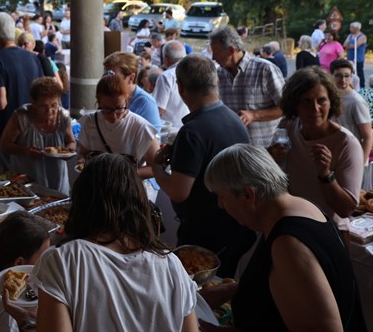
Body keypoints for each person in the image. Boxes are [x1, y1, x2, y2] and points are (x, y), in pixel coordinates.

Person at [201, 144, 365, 332]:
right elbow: (287, 283)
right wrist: (233, 289)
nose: (221, 205)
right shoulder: (299, 207)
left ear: (248, 195)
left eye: (222, 197)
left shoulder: (288, 244)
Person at [30, 153, 198, 332]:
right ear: (140, 201)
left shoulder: (61, 261)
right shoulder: (172, 265)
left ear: (80, 200)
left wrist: (26, 323)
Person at [151, 55, 254, 278]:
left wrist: (157, 168)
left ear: (180, 88)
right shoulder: (234, 119)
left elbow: (179, 192)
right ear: (214, 83)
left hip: (205, 233)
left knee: (196, 294)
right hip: (235, 226)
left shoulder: (193, 131)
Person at [272, 66, 363, 231]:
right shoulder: (288, 127)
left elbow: (346, 209)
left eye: (321, 100)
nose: (315, 109)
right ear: (295, 105)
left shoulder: (346, 144)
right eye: (306, 101)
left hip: (329, 232)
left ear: (331, 102)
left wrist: (326, 175)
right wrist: (270, 157)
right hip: (293, 224)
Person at [0, 13, 45, 168]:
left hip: (6, 132)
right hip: (30, 129)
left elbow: (0, 102)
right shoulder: (32, 57)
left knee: (4, 183)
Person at [209, 26, 285, 146]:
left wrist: (254, 115)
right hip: (233, 150)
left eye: (216, 53)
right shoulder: (219, 74)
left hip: (265, 151)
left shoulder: (265, 69)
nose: (213, 58)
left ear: (231, 50)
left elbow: (286, 108)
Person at [0, 77, 76, 194]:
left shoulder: (64, 117)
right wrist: (26, 151)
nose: (50, 110)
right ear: (33, 103)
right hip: (28, 177)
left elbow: (71, 141)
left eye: (54, 105)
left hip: (56, 177)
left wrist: (69, 150)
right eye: (44, 106)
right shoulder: (22, 117)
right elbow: (4, 145)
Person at [77, 74, 159, 179]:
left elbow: (156, 168)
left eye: (119, 108)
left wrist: (122, 174)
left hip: (127, 190)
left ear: (127, 100)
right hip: (95, 188)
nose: (113, 116)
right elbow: (84, 154)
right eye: (106, 109)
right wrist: (82, 161)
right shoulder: (90, 122)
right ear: (98, 102)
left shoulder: (139, 126)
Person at [0, 212, 51, 332]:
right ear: (20, 264)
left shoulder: (10, 288)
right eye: (43, 258)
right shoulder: (8, 316)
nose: (47, 263)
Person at [102, 51, 163, 131]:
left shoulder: (145, 102)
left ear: (131, 78)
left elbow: (152, 140)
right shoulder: (111, 98)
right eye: (106, 74)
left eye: (113, 76)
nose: (107, 80)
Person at [330, 59, 373, 167]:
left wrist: (360, 164)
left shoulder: (356, 101)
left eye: (347, 76)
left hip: (350, 157)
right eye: (338, 76)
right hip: (332, 154)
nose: (343, 80)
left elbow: (368, 136)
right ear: (331, 76)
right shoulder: (330, 96)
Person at [152, 41, 190, 128]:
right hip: (188, 127)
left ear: (165, 58)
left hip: (169, 131)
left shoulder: (166, 76)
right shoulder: (193, 72)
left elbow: (158, 110)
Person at [343, 22, 367, 88]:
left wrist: (349, 46)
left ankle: (362, 87)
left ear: (356, 28)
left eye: (351, 27)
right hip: (350, 57)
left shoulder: (362, 36)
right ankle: (351, 85)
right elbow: (344, 45)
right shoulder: (350, 35)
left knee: (359, 72)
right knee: (350, 72)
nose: (350, 29)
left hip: (358, 58)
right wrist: (350, 46)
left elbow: (356, 45)